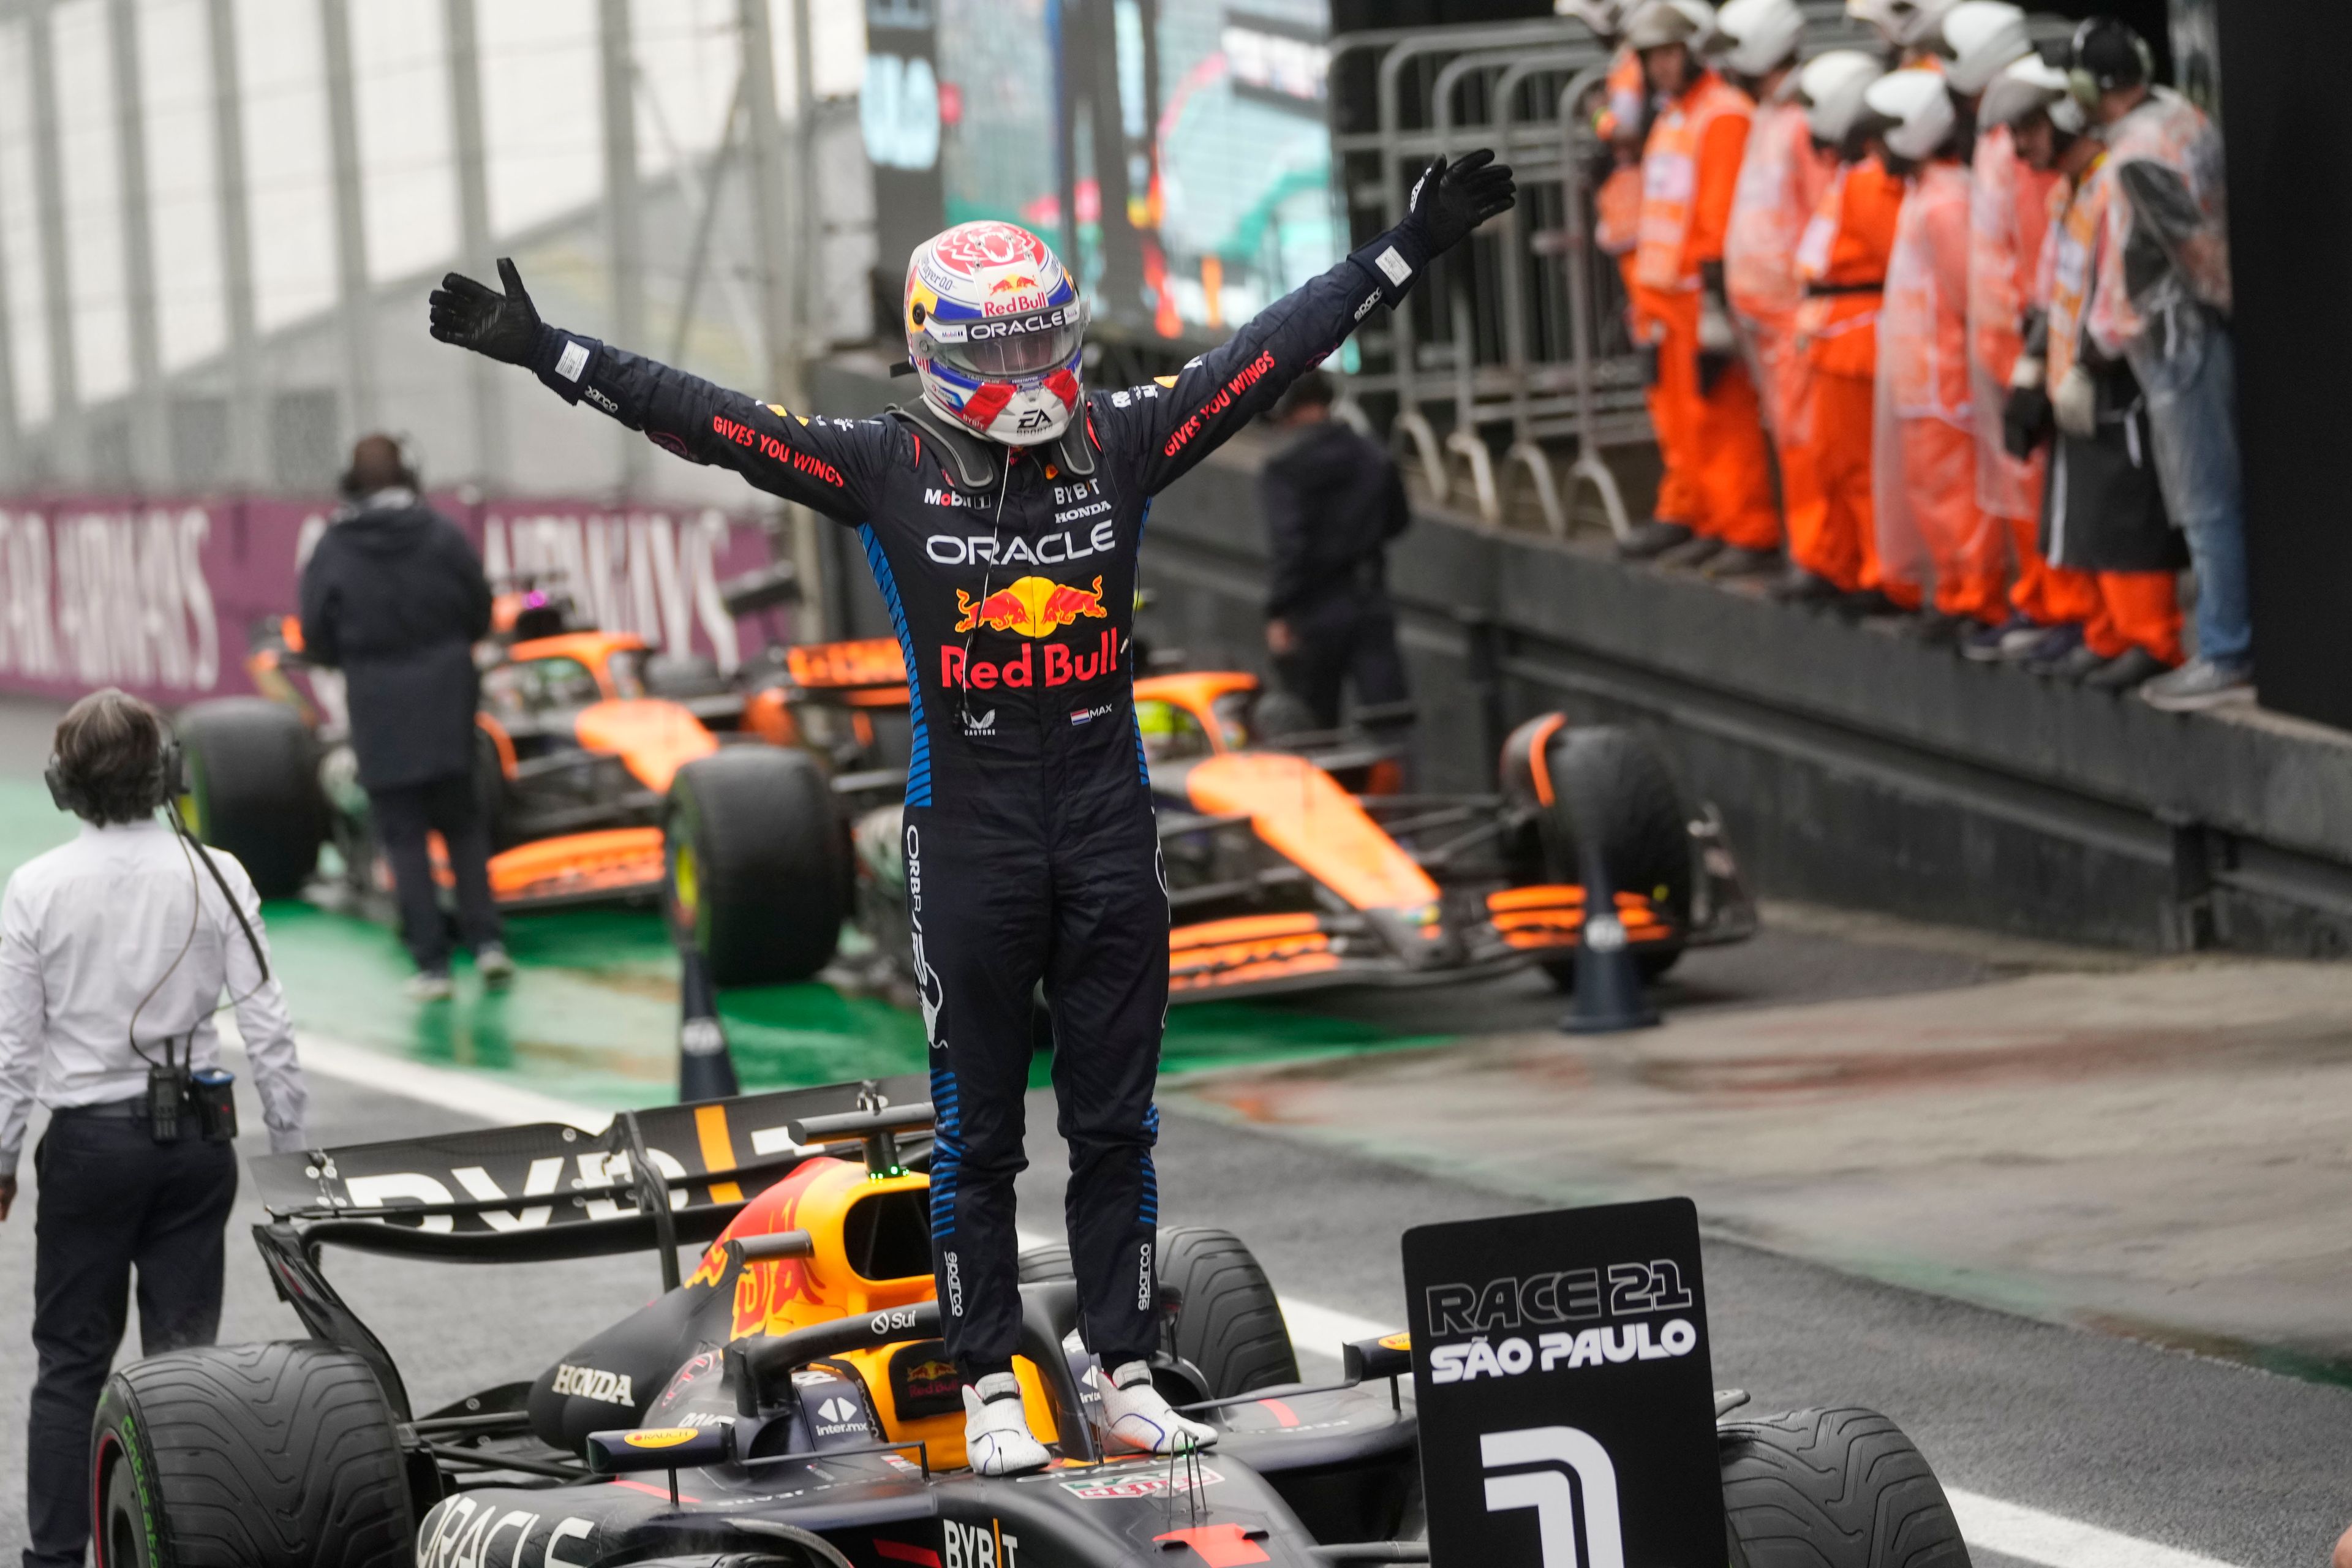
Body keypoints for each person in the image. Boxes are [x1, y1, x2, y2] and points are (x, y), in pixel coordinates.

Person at [429, 154, 1514, 1474]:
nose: (1031, 364)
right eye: (1002, 344)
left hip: (1110, 828)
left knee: (1120, 1122)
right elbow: (706, 418)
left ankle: (1120, 1364)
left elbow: (1268, 353)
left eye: (1045, 335)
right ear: (939, 350)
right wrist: (551, 350)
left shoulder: (1121, 434)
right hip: (973, 836)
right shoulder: (882, 463)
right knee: (978, 1134)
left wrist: (1405, 247)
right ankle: (990, 1371)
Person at [0, 689, 309, 1568]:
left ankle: (56, 1559)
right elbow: (269, 1028)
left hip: (88, 1149)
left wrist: (2, 1159)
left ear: (63, 785)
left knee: (69, 1367)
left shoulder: (35, 888)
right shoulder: (218, 871)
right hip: (196, 1145)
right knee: (182, 1375)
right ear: (167, 775)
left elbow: (13, 1052)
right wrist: (291, 1156)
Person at [2067, 17, 2249, 710]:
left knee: (2205, 503)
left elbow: (2195, 253)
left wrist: (2221, 308)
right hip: (2194, 333)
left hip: (2179, 341)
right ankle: (2229, 640)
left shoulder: (2139, 151)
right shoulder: (2180, 117)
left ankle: (2226, 648)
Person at [300, 435, 510, 1000]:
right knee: (464, 824)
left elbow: (316, 637)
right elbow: (480, 611)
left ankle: (433, 966)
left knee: (404, 835)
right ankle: (488, 944)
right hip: (447, 696)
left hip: (378, 704)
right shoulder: (441, 535)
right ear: (409, 476)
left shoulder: (334, 548)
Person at [2003, 56, 2185, 686]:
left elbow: (2130, 286)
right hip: (2074, 373)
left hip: (2117, 373)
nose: (2020, 144)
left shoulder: (2113, 182)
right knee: (2086, 505)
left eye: (2028, 128)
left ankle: (2153, 636)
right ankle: (2109, 629)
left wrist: (2089, 363)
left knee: (2125, 503)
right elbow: (2051, 288)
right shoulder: (2069, 191)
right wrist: (2032, 370)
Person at [1947, 4, 2098, 665]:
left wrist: (2037, 340)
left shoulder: (2024, 129)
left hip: (2024, 332)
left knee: (2045, 483)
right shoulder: (1997, 131)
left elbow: (2040, 240)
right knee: (2018, 485)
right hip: (1998, 334)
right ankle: (2038, 593)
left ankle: (2072, 605)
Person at [1616, 1, 1783, 576]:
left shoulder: (1721, 114)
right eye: (1651, 57)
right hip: (1664, 293)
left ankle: (1748, 526)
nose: (1660, 66)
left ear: (1691, 52)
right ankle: (1703, 517)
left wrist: (1713, 299)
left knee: (1722, 413)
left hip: (1696, 294)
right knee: (1682, 416)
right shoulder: (1675, 115)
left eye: (1669, 53)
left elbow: (1717, 210)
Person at [1868, 67, 2011, 640]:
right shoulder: (1926, 195)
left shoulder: (1945, 202)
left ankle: (1978, 599)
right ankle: (1954, 593)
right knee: (1934, 498)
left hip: (1944, 382)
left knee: (1957, 501)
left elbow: (1967, 295)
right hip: (1920, 380)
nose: (1875, 147)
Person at [1717, 0, 1833, 595]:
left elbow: (1820, 211)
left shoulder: (1800, 119)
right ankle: (1807, 549)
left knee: (1808, 437)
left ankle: (1818, 557)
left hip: (1794, 312)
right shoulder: (1767, 113)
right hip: (1762, 311)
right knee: (1789, 435)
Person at [1789, 50, 1911, 611]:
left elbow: (1897, 261)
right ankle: (1848, 565)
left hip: (1858, 336)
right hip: (1832, 335)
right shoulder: (1852, 176)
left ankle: (1884, 577)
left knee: (1865, 469)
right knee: (1833, 464)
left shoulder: (1873, 183)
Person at [1260, 371, 1411, 732]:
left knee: (1313, 731)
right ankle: (1394, 788)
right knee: (1387, 721)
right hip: (1368, 598)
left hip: (1313, 609)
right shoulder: (1372, 454)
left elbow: (1290, 547)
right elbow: (1399, 520)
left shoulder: (1285, 468)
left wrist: (1279, 611)